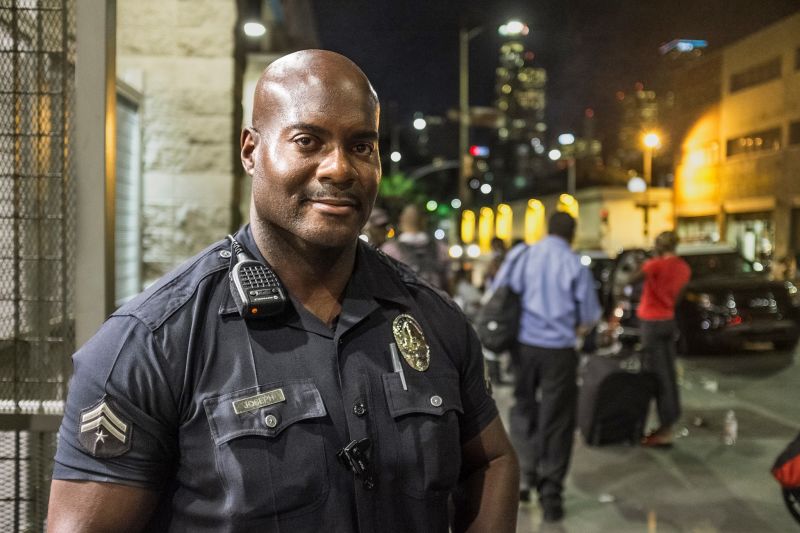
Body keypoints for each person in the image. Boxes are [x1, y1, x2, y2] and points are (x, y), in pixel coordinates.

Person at [47, 50, 518, 532]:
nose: (339, 168)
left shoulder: (433, 319)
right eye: (308, 141)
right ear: (251, 150)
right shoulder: (152, 341)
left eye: (361, 146)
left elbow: (493, 459)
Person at [492, 211, 601, 523]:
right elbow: (590, 315)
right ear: (572, 233)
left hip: (524, 348)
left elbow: (499, 291)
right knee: (557, 420)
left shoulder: (524, 255)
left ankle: (524, 478)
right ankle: (551, 494)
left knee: (524, 409)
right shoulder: (573, 263)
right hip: (560, 352)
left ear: (547, 229)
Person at [633, 230, 691, 448]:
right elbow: (677, 298)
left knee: (654, 376)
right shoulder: (683, 268)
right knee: (668, 374)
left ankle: (663, 428)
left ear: (659, 246)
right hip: (668, 321)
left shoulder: (655, 265)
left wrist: (647, 261)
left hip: (651, 323)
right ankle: (669, 421)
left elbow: (631, 278)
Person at [381, 204, 451, 292]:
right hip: (436, 302)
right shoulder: (441, 248)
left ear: (401, 220)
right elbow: (449, 282)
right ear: (423, 221)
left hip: (403, 303)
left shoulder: (389, 249)